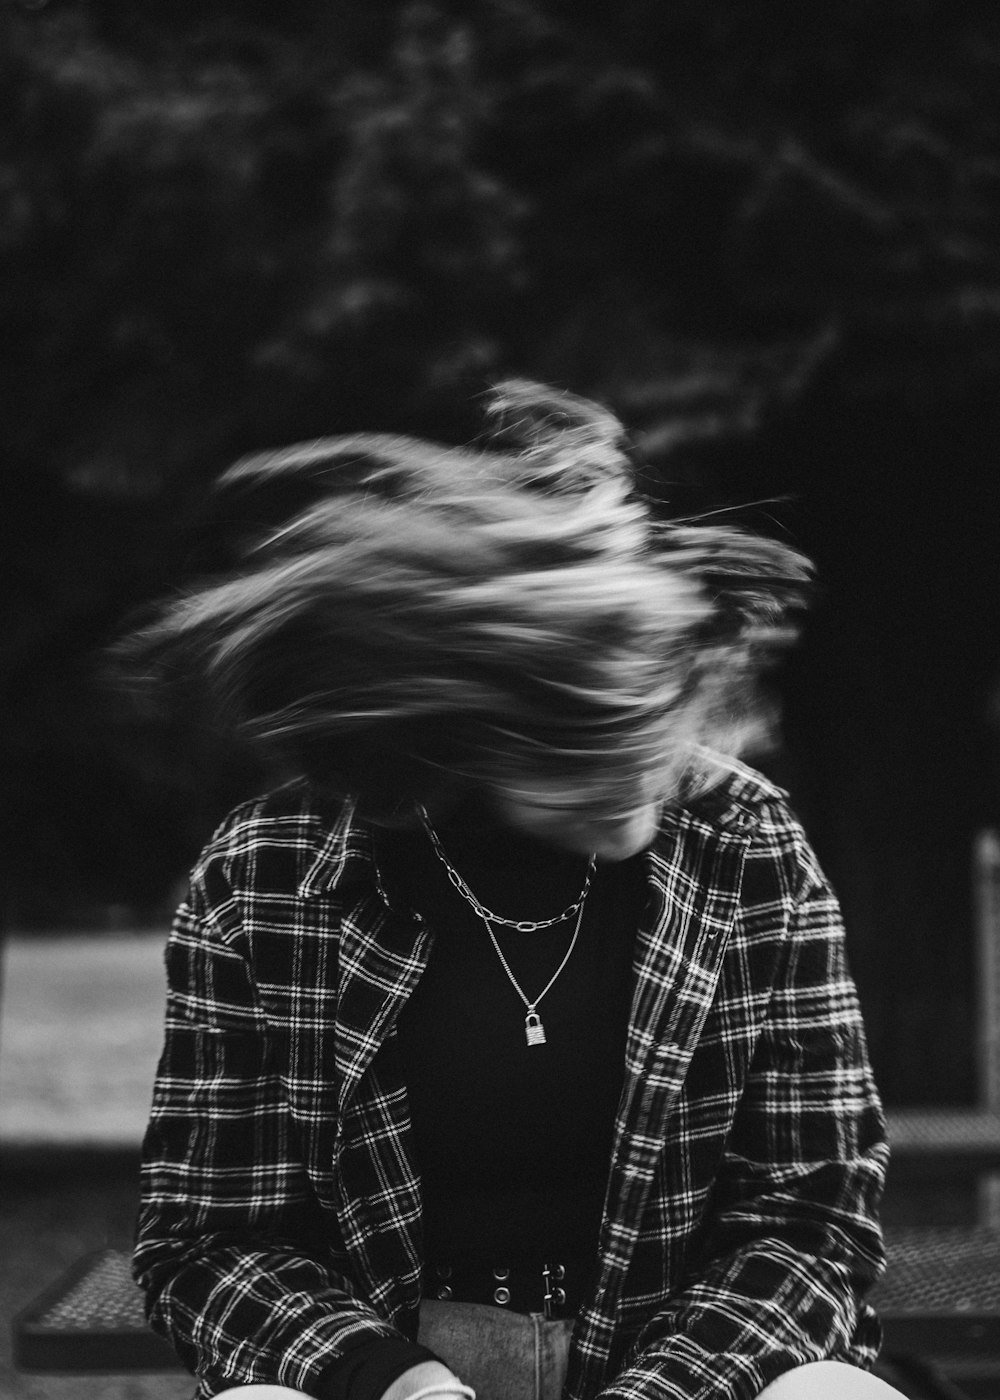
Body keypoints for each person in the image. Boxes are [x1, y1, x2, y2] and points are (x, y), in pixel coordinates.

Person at [130, 382, 898, 1400]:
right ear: (486, 715)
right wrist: (397, 1382)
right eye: (596, 729)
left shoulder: (743, 842)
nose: (654, 753)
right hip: (387, 1374)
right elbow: (210, 1237)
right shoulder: (267, 874)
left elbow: (812, 1222)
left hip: (689, 1372)